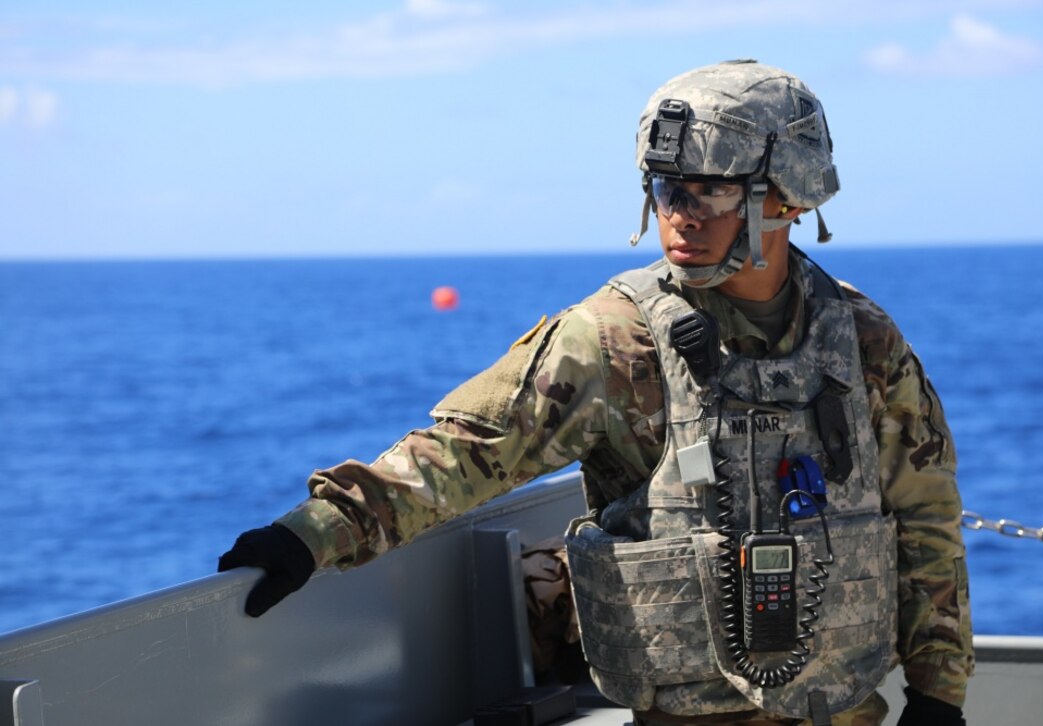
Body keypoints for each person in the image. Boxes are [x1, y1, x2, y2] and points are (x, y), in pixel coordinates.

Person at [219, 60, 974, 725]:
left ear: (787, 198)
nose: (681, 214)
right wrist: (314, 531)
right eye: (669, 188)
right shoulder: (617, 338)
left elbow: (924, 511)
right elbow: (468, 452)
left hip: (843, 711)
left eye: (710, 191)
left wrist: (938, 695)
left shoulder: (860, 338)